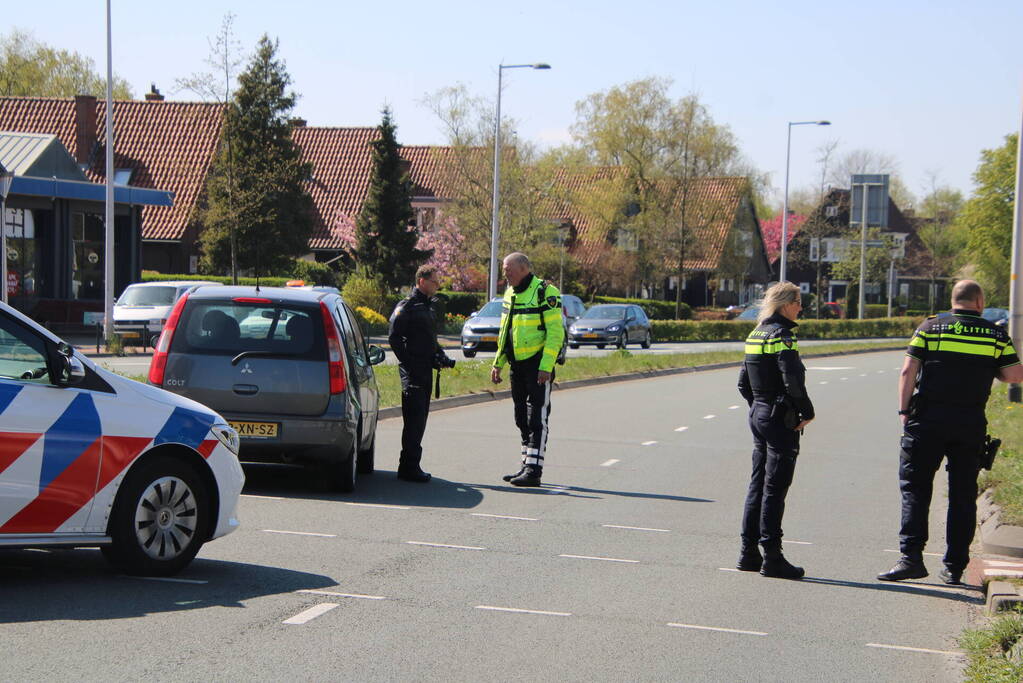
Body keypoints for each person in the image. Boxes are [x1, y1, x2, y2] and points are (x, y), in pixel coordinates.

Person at [878, 280, 1022, 584]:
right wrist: (989, 367)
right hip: (969, 423)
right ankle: (954, 567)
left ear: (953, 300)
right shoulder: (995, 333)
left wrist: (904, 412)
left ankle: (911, 559)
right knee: (962, 494)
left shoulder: (930, 328)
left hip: (927, 420)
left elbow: (908, 371)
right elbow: (1013, 375)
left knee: (915, 489)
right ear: (980, 302)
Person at [736, 282, 814, 580]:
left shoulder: (755, 334)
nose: (800, 308)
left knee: (757, 484)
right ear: (785, 304)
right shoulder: (783, 336)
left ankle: (748, 553)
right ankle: (773, 557)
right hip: (779, 418)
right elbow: (792, 378)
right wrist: (806, 410)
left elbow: (743, 383)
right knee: (775, 489)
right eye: (798, 302)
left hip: (759, 414)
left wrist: (759, 408)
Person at [490, 252, 565, 487]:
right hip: (517, 364)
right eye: (504, 270)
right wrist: (498, 363)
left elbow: (555, 333)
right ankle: (525, 464)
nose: (505, 274)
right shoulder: (510, 293)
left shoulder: (546, 292)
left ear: (523, 269)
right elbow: (505, 331)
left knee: (537, 418)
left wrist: (546, 366)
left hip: (537, 365)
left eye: (508, 269)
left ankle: (534, 470)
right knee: (521, 416)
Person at [388, 265, 455, 483]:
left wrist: (440, 355)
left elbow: (428, 339)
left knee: (421, 420)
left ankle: (411, 464)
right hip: (413, 373)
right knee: (414, 420)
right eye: (434, 282)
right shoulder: (407, 306)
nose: (437, 286)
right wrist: (409, 363)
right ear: (422, 281)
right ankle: (408, 467)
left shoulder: (428, 306)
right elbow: (394, 338)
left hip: (425, 370)